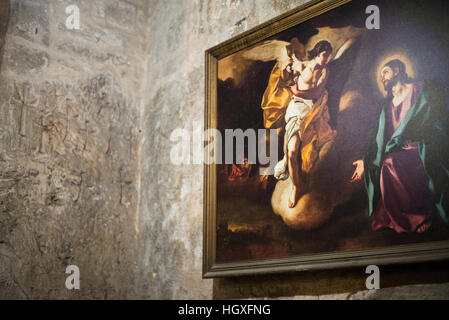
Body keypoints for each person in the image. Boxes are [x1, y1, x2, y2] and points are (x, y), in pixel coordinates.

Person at [351, 59, 449, 233]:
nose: (382, 77)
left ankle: (420, 214)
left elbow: (439, 124)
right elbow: (379, 142)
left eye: (386, 72)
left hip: (423, 151)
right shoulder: (387, 106)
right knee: (390, 162)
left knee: (391, 162)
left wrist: (420, 143)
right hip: (397, 156)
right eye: (380, 74)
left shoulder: (421, 91)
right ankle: (405, 216)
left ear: (397, 70)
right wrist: (365, 162)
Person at [262, 40, 337, 208]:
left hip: (311, 112)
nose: (326, 59)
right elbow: (287, 80)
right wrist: (284, 69)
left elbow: (316, 92)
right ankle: (296, 186)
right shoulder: (302, 66)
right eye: (324, 55)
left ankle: (302, 183)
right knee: (291, 152)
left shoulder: (324, 71)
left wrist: (297, 91)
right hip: (295, 109)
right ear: (318, 53)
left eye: (328, 56)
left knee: (307, 152)